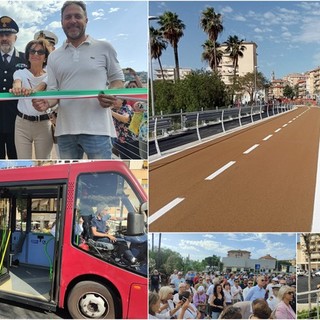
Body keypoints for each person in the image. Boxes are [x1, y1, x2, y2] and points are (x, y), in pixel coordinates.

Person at [32, 1, 125, 159]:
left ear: (86, 20)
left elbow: (118, 80)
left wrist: (111, 94)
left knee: (101, 180)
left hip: (99, 131)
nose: (73, 20)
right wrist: (46, 102)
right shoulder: (54, 56)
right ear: (62, 22)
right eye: (68, 17)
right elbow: (54, 91)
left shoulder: (104, 47)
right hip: (65, 132)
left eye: (78, 16)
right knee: (70, 180)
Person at [10, 39, 53, 159]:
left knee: (43, 163)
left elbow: (42, 86)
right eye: (32, 51)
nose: (35, 54)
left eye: (40, 52)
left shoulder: (50, 75)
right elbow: (17, 82)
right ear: (28, 55)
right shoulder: (19, 72)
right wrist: (17, 88)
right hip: (22, 124)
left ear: (45, 57)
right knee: (23, 163)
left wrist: (32, 91)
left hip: (43, 124)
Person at [0, 16, 27, 159]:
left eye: (8, 35)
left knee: (16, 159)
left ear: (15, 38)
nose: (4, 38)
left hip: (17, 122)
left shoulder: (25, 59)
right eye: (1, 35)